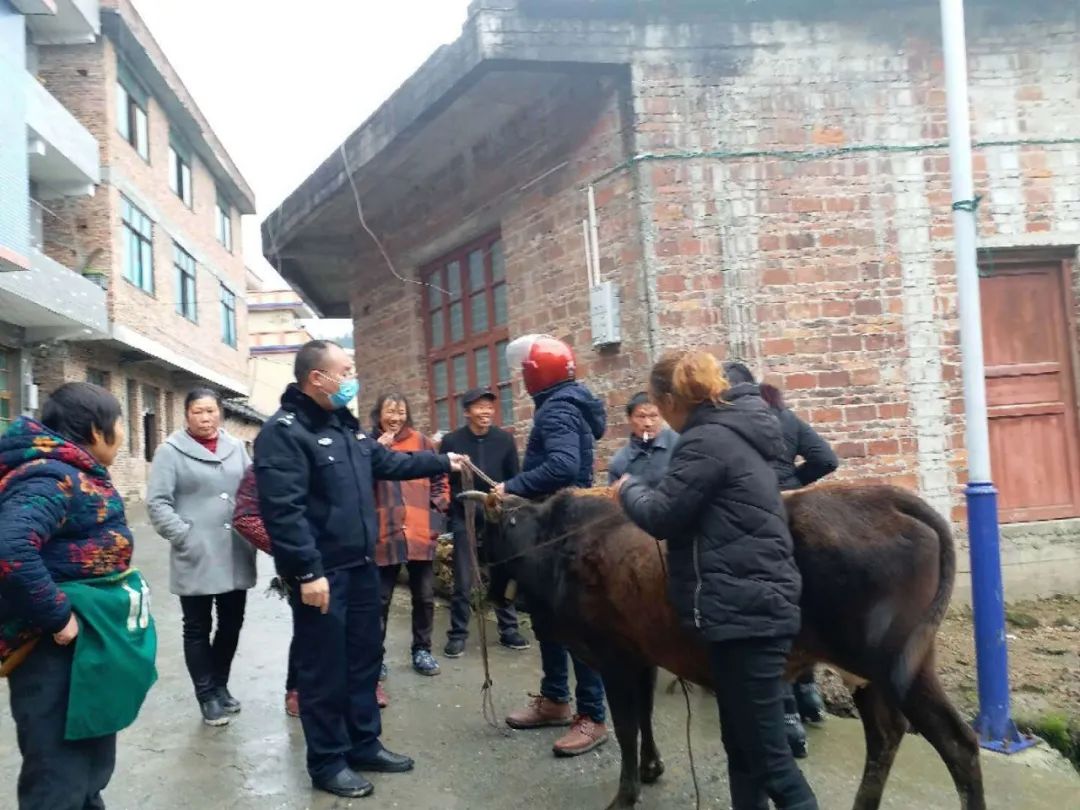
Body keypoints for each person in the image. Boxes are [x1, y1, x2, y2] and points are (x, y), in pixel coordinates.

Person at [254, 340, 466, 800]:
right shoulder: (284, 433)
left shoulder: (344, 427)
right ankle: (328, 761)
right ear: (318, 378)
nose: (352, 378)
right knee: (324, 670)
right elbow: (284, 512)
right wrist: (307, 573)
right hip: (323, 576)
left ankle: (364, 743)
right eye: (345, 370)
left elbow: (387, 461)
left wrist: (442, 460)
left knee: (364, 661)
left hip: (362, 567)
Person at [616, 351, 818, 810]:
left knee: (771, 762)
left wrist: (627, 488)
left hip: (748, 613)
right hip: (741, 610)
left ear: (671, 401)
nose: (659, 417)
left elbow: (662, 514)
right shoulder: (731, 431)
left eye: (657, 406)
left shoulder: (707, 440)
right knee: (742, 749)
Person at [0, 383, 151, 810]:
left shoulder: (73, 470)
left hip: (82, 650)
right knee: (58, 778)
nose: (122, 434)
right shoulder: (52, 476)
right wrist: (58, 616)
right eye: (119, 423)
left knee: (87, 769)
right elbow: (10, 547)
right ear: (96, 430)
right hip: (51, 652)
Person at [495, 334, 610, 757]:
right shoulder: (567, 402)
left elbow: (563, 465)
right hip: (557, 527)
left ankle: (592, 715)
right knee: (546, 618)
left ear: (535, 373)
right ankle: (555, 699)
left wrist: (512, 486)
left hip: (565, 530)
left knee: (574, 624)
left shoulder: (558, 408)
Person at [724, 362, 839, 748]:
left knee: (768, 612)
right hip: (796, 519)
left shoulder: (729, 425)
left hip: (757, 521)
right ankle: (809, 696)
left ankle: (787, 714)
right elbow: (826, 459)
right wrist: (793, 486)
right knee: (800, 605)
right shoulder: (784, 416)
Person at [147, 388, 256, 727]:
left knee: (231, 622)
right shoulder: (170, 451)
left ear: (220, 413)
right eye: (198, 411)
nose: (205, 418)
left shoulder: (236, 448)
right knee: (197, 626)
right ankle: (206, 695)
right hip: (195, 552)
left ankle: (220, 684)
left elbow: (252, 490)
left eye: (211, 411)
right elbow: (158, 503)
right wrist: (184, 536)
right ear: (186, 415)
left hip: (235, 550)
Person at [440, 387, 530, 658]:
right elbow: (444, 481)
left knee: (501, 572)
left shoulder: (504, 440)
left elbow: (514, 478)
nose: (486, 411)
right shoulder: (452, 441)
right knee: (464, 578)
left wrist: (507, 498)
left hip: (497, 516)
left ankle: (509, 630)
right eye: (479, 407)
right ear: (467, 412)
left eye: (489, 407)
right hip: (464, 514)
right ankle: (458, 634)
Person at [372, 392, 450, 691]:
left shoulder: (422, 443)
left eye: (401, 412)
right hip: (384, 530)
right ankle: (375, 657)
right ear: (379, 414)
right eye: (390, 411)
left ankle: (422, 650)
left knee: (425, 596)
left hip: (420, 530)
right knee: (379, 599)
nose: (395, 417)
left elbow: (440, 478)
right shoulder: (369, 444)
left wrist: (437, 509)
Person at [607, 391, 678, 487]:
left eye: (653, 416)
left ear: (662, 416)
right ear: (629, 419)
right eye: (641, 417)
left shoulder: (679, 442)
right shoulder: (620, 462)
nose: (648, 423)